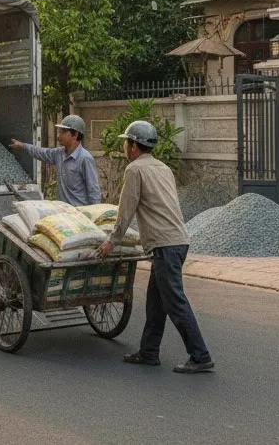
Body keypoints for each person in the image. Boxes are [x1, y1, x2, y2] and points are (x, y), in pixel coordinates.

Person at [97, 120, 214, 374]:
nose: (125, 148)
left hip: (165, 245)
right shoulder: (163, 168)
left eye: (126, 143)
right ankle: (149, 352)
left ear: (134, 146)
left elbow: (125, 211)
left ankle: (200, 355)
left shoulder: (134, 170)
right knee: (156, 301)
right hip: (177, 241)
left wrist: (111, 242)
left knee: (174, 302)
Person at [10, 114, 101, 207]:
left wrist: (95, 214)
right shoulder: (59, 153)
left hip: (79, 213)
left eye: (63, 132)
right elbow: (41, 152)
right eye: (59, 132)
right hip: (62, 211)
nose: (58, 136)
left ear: (75, 135)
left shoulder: (85, 158)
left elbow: (93, 189)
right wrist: (23, 146)